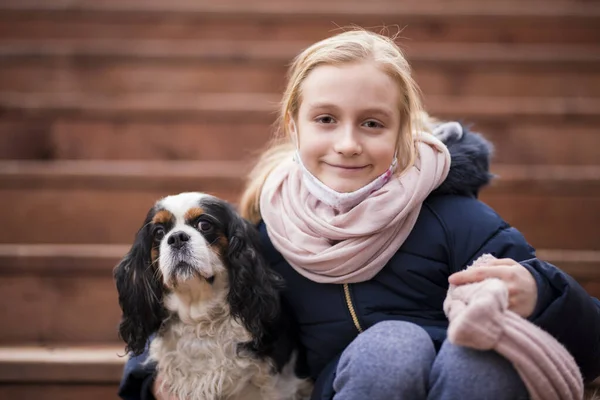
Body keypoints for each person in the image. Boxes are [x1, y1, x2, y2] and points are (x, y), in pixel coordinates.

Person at [118, 29, 600, 400]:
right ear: (294, 126)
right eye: (326, 119)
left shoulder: (456, 218)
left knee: (476, 357)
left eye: (372, 123)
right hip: (360, 382)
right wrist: (146, 380)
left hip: (468, 379)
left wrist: (539, 292)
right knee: (391, 348)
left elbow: (590, 336)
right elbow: (186, 306)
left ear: (402, 132)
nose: (348, 144)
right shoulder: (273, 236)